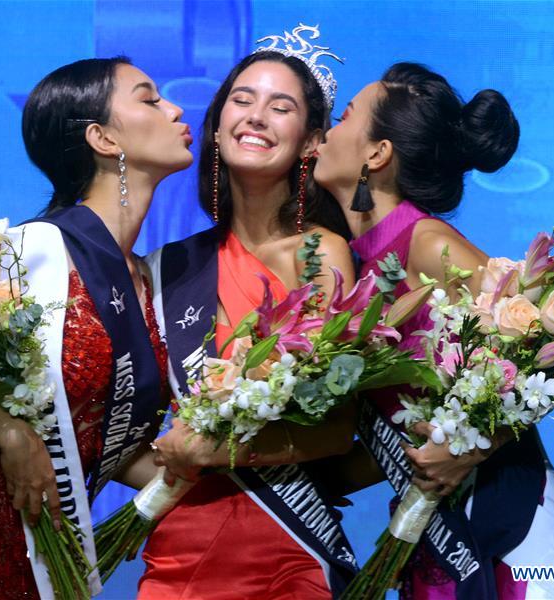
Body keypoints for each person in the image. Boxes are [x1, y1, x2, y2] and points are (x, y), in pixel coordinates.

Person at [0, 57, 193, 599]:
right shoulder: (34, 250)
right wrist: (10, 433)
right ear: (103, 138)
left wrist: (213, 464)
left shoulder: (149, 281)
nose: (176, 109)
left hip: (49, 542)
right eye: (149, 99)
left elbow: (106, 440)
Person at [313, 62, 554, 599]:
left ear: (377, 154)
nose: (326, 132)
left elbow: (551, 350)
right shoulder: (355, 267)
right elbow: (409, 428)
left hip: (519, 529)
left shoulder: (426, 242)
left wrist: (473, 447)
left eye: (343, 118)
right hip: (441, 539)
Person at [140, 25, 362, 599]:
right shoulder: (171, 268)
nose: (257, 117)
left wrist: (217, 449)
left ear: (312, 142)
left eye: (280, 107)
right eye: (242, 100)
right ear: (217, 127)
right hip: (181, 543)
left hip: (287, 549)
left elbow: (338, 428)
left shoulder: (321, 255)